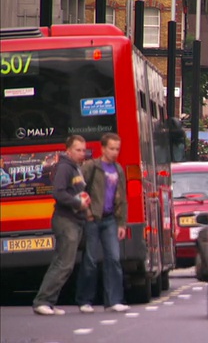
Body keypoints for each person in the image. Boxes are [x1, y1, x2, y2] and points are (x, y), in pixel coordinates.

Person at [33, 135, 90, 316]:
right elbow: (58, 193)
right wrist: (77, 203)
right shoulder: (65, 167)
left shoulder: (75, 168)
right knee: (64, 264)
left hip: (74, 221)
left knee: (63, 263)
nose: (82, 153)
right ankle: (42, 301)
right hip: (66, 221)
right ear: (68, 150)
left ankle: (49, 302)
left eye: (83, 150)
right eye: (78, 150)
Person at [75, 133, 130, 313]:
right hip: (92, 219)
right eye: (112, 148)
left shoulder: (119, 169)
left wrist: (122, 223)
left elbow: (122, 198)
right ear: (103, 148)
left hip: (110, 219)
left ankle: (113, 300)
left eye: (117, 149)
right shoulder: (92, 166)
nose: (115, 152)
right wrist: (87, 213)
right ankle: (85, 300)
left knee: (113, 258)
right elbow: (78, 189)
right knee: (90, 260)